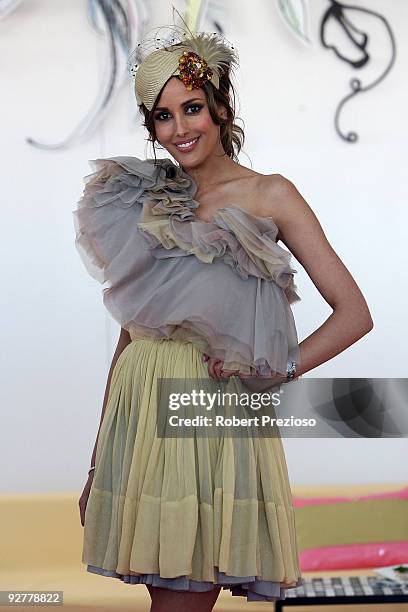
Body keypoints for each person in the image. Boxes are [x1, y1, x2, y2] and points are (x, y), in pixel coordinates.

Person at [74, 22, 373, 612]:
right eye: (163, 116)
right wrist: (97, 460)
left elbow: (354, 314)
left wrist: (278, 371)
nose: (181, 128)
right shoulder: (143, 198)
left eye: (192, 108)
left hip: (208, 413)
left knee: (179, 601)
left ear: (220, 106)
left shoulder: (270, 196)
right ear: (151, 126)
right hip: (139, 412)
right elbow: (130, 334)